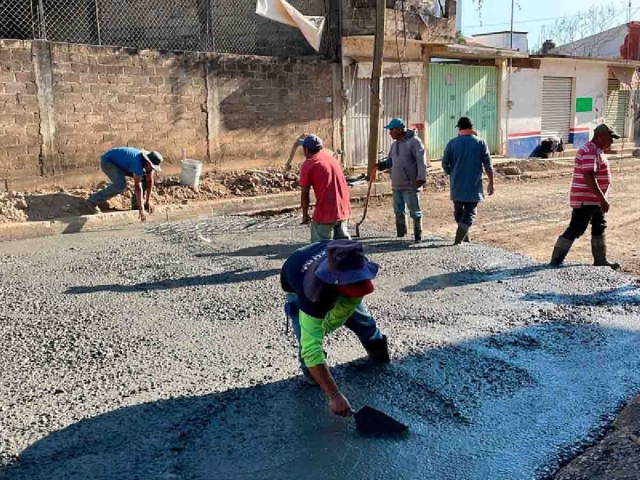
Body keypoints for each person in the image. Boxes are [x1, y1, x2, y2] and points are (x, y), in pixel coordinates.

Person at [281, 239, 390, 417]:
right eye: (353, 286)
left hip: (328, 262)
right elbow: (312, 347)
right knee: (307, 344)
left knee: (364, 322)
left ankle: (379, 354)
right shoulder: (312, 293)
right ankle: (313, 375)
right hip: (295, 273)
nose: (359, 291)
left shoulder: (353, 259)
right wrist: (335, 395)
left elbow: (340, 314)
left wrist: (325, 325)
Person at [550, 124, 620, 269]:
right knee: (576, 228)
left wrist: (600, 199)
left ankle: (600, 260)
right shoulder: (590, 150)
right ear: (600, 136)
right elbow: (589, 176)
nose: (612, 142)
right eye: (610, 138)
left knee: (599, 226)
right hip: (586, 200)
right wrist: (602, 198)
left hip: (593, 199)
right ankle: (555, 260)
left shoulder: (597, 150)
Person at [442, 117, 495, 245]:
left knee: (459, 212)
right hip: (474, 186)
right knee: (469, 212)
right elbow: (488, 164)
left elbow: (445, 163)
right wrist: (491, 182)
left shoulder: (452, 143)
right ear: (471, 128)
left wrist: (452, 173)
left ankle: (463, 237)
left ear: (459, 128)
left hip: (457, 186)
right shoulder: (480, 143)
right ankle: (459, 239)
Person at [376, 118, 428, 243]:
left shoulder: (414, 142)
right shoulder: (394, 145)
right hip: (396, 184)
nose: (390, 133)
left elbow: (422, 162)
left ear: (399, 130)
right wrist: (380, 165)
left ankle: (418, 236)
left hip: (410, 184)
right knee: (398, 211)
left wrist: (421, 178)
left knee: (415, 212)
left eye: (391, 130)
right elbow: (391, 161)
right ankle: (401, 234)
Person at [298, 135, 352, 242]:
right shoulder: (333, 160)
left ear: (307, 149)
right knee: (344, 248)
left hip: (325, 213)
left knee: (321, 248)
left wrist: (305, 215)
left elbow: (305, 194)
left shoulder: (309, 164)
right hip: (342, 209)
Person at [87, 147, 163, 222]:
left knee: (144, 177)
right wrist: (142, 208)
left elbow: (149, 181)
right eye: (152, 167)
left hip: (123, 165)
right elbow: (138, 186)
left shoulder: (149, 163)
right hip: (108, 162)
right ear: (148, 161)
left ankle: (136, 203)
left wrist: (147, 201)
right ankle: (93, 200)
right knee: (121, 185)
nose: (152, 169)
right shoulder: (137, 161)